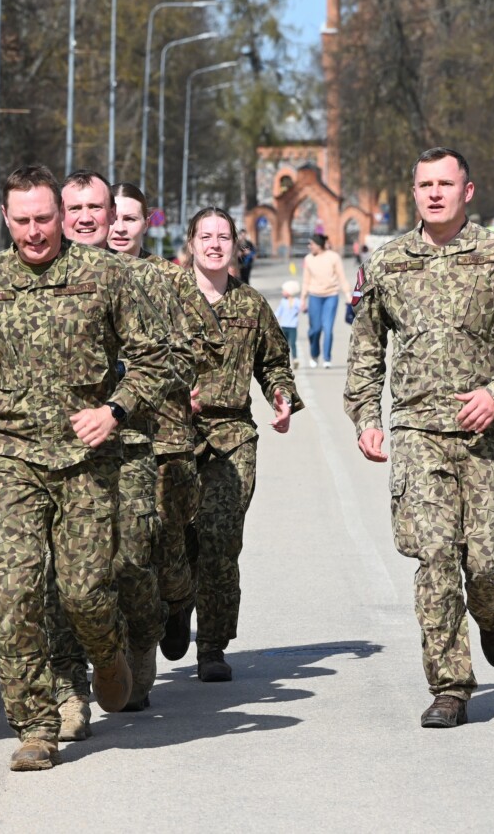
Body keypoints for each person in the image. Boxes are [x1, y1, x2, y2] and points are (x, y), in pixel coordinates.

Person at [0, 164, 171, 772]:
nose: (35, 231)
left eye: (44, 218)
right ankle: (36, 725)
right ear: (5, 219)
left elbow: (156, 358)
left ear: (61, 216)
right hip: (12, 459)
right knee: (17, 594)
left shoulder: (104, 275)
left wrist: (114, 410)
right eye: (22, 221)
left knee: (85, 593)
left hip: (85, 461)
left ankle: (108, 651)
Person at [344, 146, 494, 729]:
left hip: (483, 434)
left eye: (445, 184)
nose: (434, 193)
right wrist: (367, 418)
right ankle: (449, 688)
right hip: (417, 433)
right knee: (435, 556)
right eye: (424, 185)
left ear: (467, 191)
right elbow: (366, 350)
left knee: (489, 563)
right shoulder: (388, 263)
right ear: (413, 192)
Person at [47, 172, 187, 732]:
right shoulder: (36, 276)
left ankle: (140, 641)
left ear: (112, 215)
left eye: (95, 208)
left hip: (128, 444)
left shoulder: (147, 279)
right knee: (62, 573)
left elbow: (180, 356)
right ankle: (69, 690)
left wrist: (124, 393)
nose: (85, 218)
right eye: (74, 208)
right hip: (57, 450)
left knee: (129, 562)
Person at [108, 183, 225, 670]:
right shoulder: (83, 274)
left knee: (168, 541)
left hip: (165, 432)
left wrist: (170, 375)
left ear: (147, 222)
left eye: (130, 219)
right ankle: (131, 651)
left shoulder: (169, 278)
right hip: (107, 434)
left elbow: (205, 344)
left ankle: (178, 599)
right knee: (119, 548)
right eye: (113, 217)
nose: (119, 228)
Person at [186, 207, 301, 682]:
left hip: (232, 437)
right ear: (191, 243)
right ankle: (175, 609)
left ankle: (212, 645)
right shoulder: (165, 299)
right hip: (173, 436)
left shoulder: (250, 304)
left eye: (223, 237)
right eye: (206, 236)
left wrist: (281, 395)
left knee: (219, 539)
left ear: (236, 245)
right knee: (172, 541)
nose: (214, 245)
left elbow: (274, 362)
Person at [302, 233, 349, 368]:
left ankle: (327, 358)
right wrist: (303, 299)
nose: (309, 246)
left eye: (311, 244)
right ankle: (314, 354)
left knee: (328, 328)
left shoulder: (334, 257)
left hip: (331, 296)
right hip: (314, 296)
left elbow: (341, 277)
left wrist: (348, 295)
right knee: (315, 329)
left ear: (319, 245)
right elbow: (306, 280)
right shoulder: (308, 259)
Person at [276, 280, 302, 368]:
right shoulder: (283, 302)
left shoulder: (296, 301)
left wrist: (305, 308)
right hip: (284, 326)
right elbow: (278, 312)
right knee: (284, 344)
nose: (282, 292)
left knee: (293, 343)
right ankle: (284, 360)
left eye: (284, 290)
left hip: (292, 326)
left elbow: (302, 308)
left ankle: (295, 359)